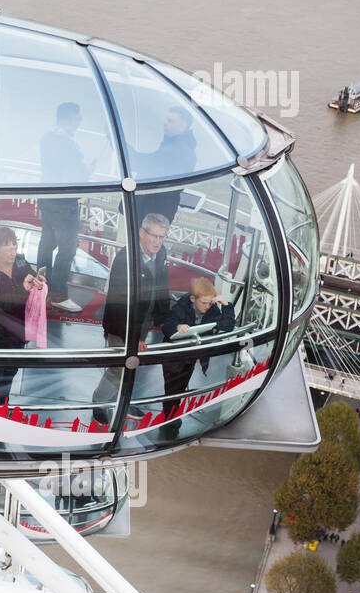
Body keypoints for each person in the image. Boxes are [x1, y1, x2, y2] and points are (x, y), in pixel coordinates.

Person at [91, 213, 173, 425]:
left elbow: (162, 286)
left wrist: (169, 319)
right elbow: (121, 305)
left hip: (143, 323)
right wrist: (133, 337)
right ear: (141, 233)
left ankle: (123, 399)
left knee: (132, 364)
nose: (157, 242)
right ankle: (98, 403)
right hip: (123, 325)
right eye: (153, 236)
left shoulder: (161, 254)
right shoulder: (125, 259)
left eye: (161, 237)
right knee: (118, 367)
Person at [0, 226, 45, 402]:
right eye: (8, 249)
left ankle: (1, 409)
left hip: (18, 331)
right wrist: (23, 289)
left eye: (15, 247)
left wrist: (38, 280)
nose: (13, 253)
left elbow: (32, 277)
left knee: (10, 373)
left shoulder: (20, 262)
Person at [158, 277, 235, 438]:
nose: (207, 307)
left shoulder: (212, 308)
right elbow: (167, 326)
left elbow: (227, 326)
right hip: (174, 356)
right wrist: (177, 327)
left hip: (191, 355)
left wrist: (226, 306)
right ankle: (169, 419)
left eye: (210, 303)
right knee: (172, 387)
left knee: (181, 384)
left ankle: (171, 417)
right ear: (193, 299)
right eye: (204, 303)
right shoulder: (181, 306)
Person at [37, 101, 92, 312]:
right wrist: (86, 169)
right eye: (78, 118)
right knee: (67, 249)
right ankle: (59, 295)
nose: (80, 122)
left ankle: (40, 287)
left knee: (46, 245)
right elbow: (75, 174)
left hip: (48, 198)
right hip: (64, 203)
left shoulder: (47, 137)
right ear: (70, 118)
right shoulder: (68, 144)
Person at [134, 107, 197, 225]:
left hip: (150, 213)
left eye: (170, 121)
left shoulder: (176, 151)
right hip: (154, 211)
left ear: (183, 125)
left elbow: (143, 163)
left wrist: (120, 147)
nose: (165, 124)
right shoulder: (181, 148)